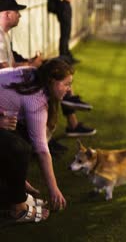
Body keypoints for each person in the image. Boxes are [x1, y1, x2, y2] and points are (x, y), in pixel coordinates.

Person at [0, 0, 96, 153]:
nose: (20, 15)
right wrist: (31, 65)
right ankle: (58, 125)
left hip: (14, 84)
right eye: (17, 11)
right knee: (51, 81)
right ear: (7, 14)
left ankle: (66, 111)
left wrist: (31, 62)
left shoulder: (4, 35)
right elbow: (4, 72)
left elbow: (11, 65)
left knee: (56, 71)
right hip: (9, 90)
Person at [0, 58, 74, 223]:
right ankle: (17, 209)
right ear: (52, 81)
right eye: (66, 84)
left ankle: (13, 194)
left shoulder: (33, 74)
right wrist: (53, 189)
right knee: (19, 148)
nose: (69, 90)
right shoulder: (35, 98)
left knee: (17, 136)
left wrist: (18, 181)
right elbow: (41, 149)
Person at [48, 0, 79, 64]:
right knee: (65, 34)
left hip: (61, 11)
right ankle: (64, 56)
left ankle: (66, 55)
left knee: (65, 34)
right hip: (64, 11)